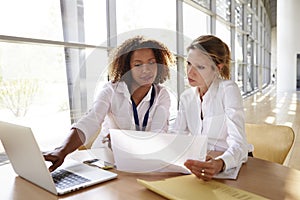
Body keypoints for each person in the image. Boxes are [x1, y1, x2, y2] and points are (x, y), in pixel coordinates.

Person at [44, 35, 175, 172]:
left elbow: (158, 134)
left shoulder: (162, 95)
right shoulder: (111, 90)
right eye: (138, 64)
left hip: (142, 160)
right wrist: (61, 151)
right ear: (127, 68)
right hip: (107, 160)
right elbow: (91, 120)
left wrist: (123, 141)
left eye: (151, 62)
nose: (146, 70)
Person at [171, 35, 252, 181]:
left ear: (217, 68)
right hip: (202, 162)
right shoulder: (186, 97)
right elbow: (177, 135)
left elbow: (239, 143)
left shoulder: (228, 90)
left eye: (200, 67)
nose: (190, 72)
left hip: (232, 163)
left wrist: (221, 163)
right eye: (189, 64)